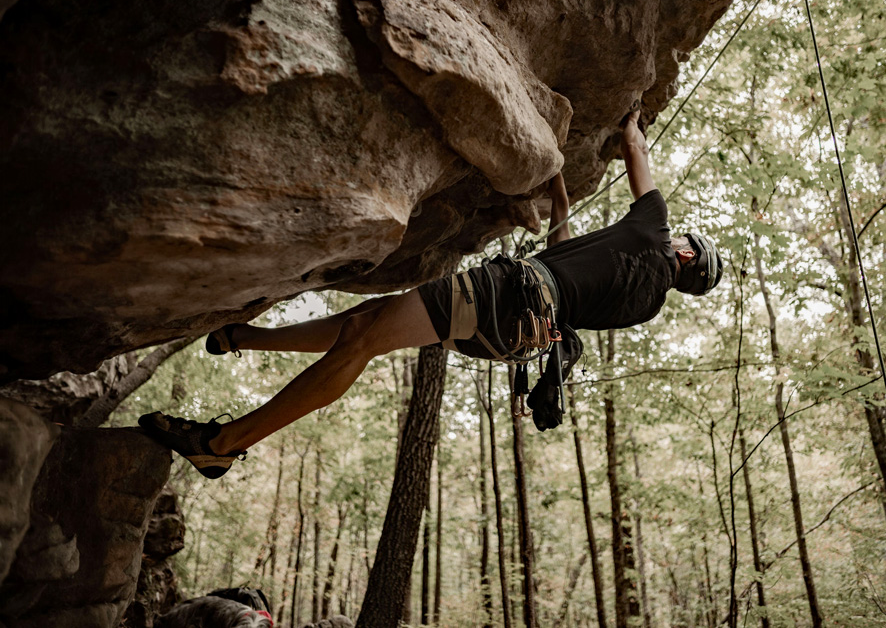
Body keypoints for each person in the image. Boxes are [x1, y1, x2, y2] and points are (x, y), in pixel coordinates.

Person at [139, 111, 723, 478]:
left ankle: (222, 442)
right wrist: (557, 179)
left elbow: (635, 150)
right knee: (369, 319)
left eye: (686, 240)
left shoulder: (654, 229)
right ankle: (245, 337)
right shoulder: (646, 304)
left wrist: (633, 116)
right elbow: (565, 249)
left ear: (687, 254)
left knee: (364, 338)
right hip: (514, 329)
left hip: (503, 296)